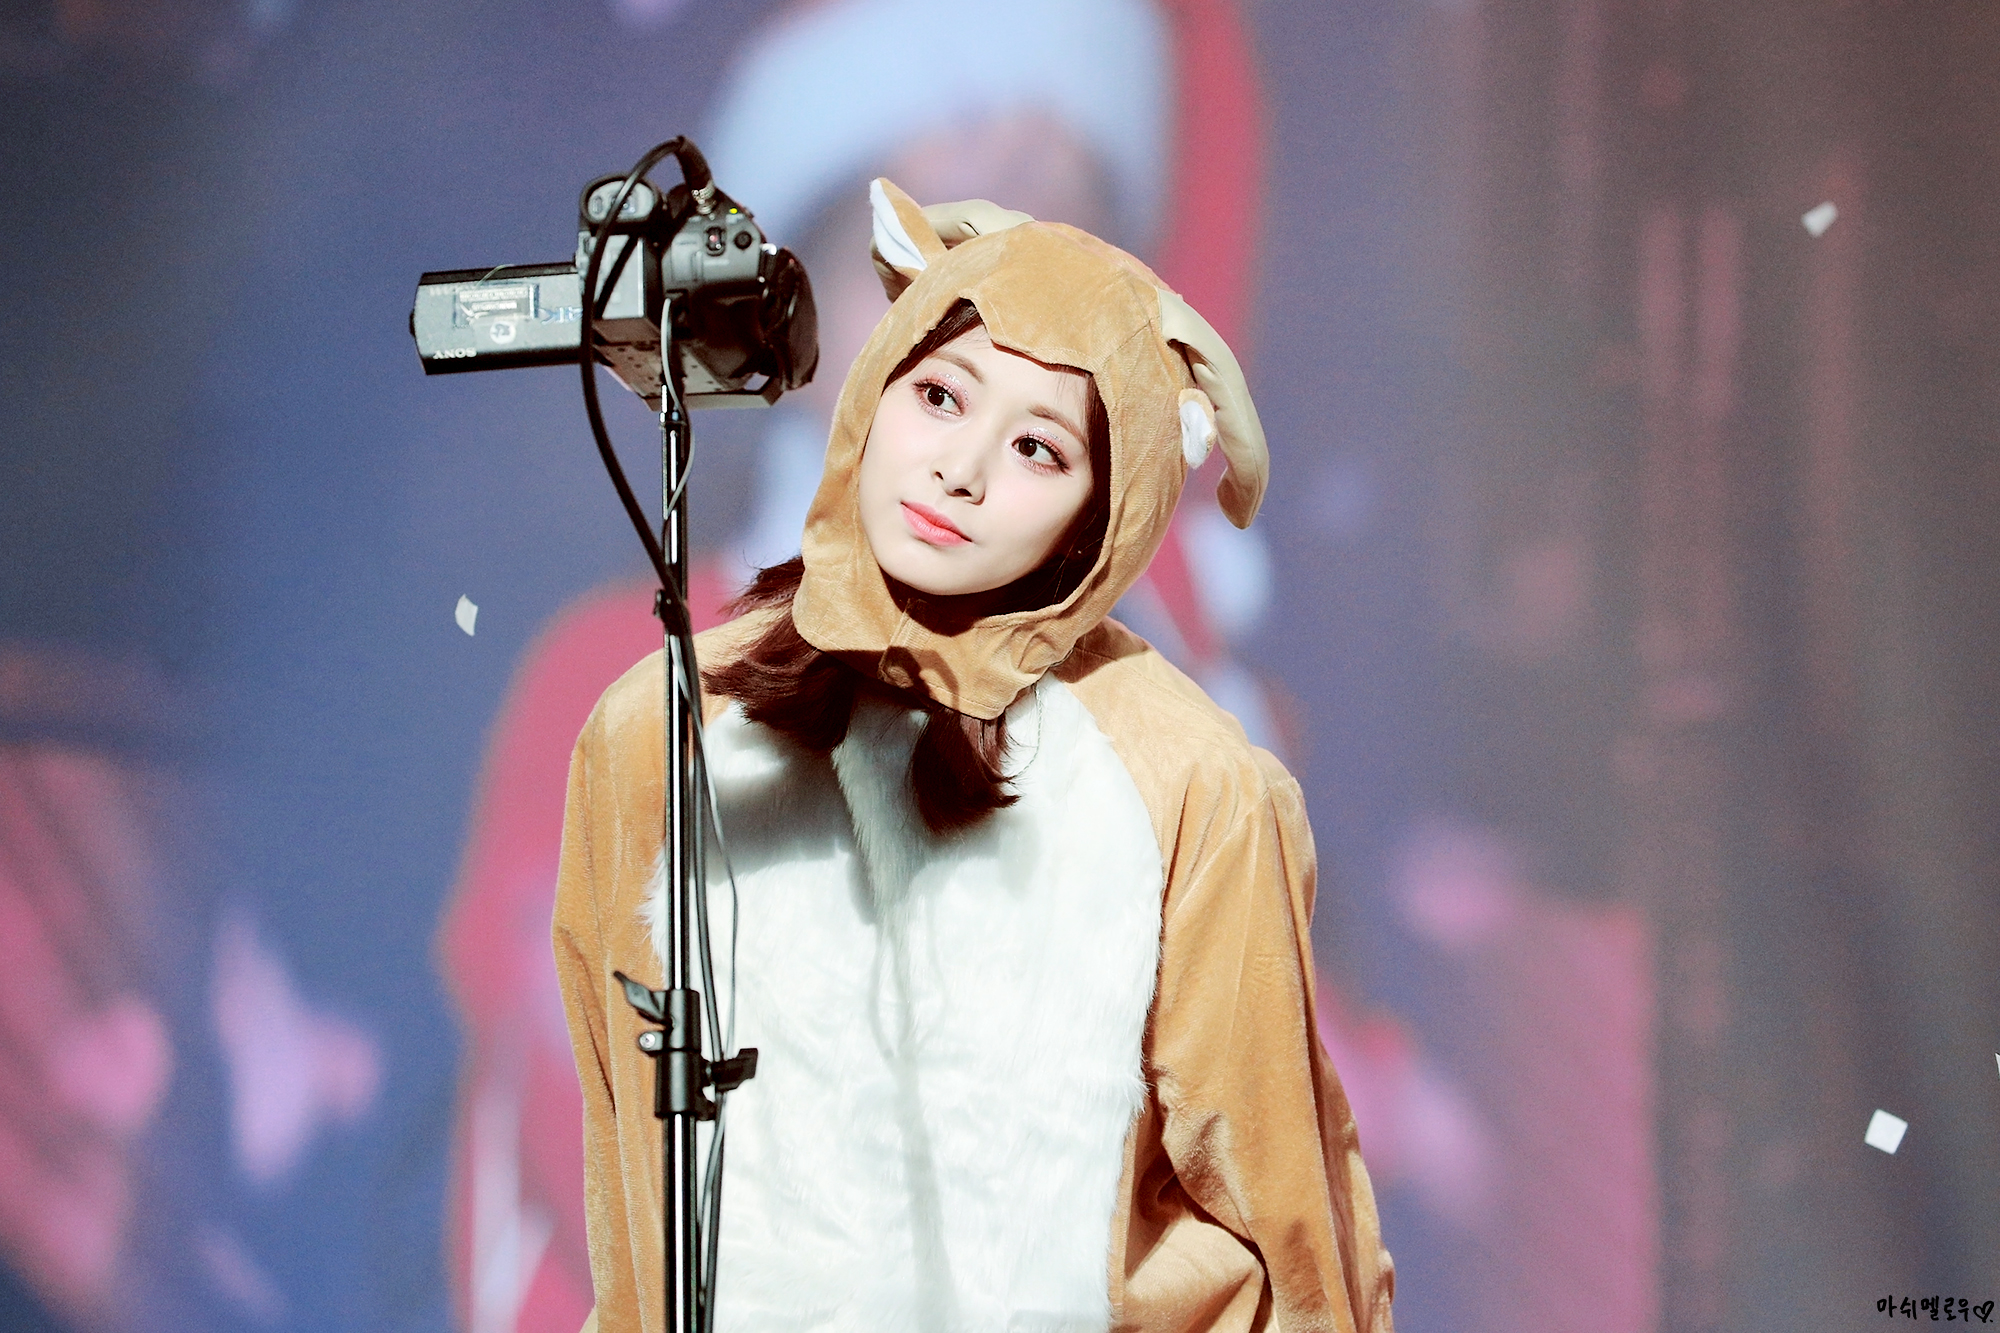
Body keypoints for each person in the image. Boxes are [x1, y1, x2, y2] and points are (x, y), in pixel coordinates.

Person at [553, 180, 1395, 1332]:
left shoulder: (1187, 782)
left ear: (1105, 513)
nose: (962, 468)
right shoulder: (659, 729)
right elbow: (627, 1172)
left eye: (1039, 448)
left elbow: (1289, 1223)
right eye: (939, 394)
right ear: (875, 387)